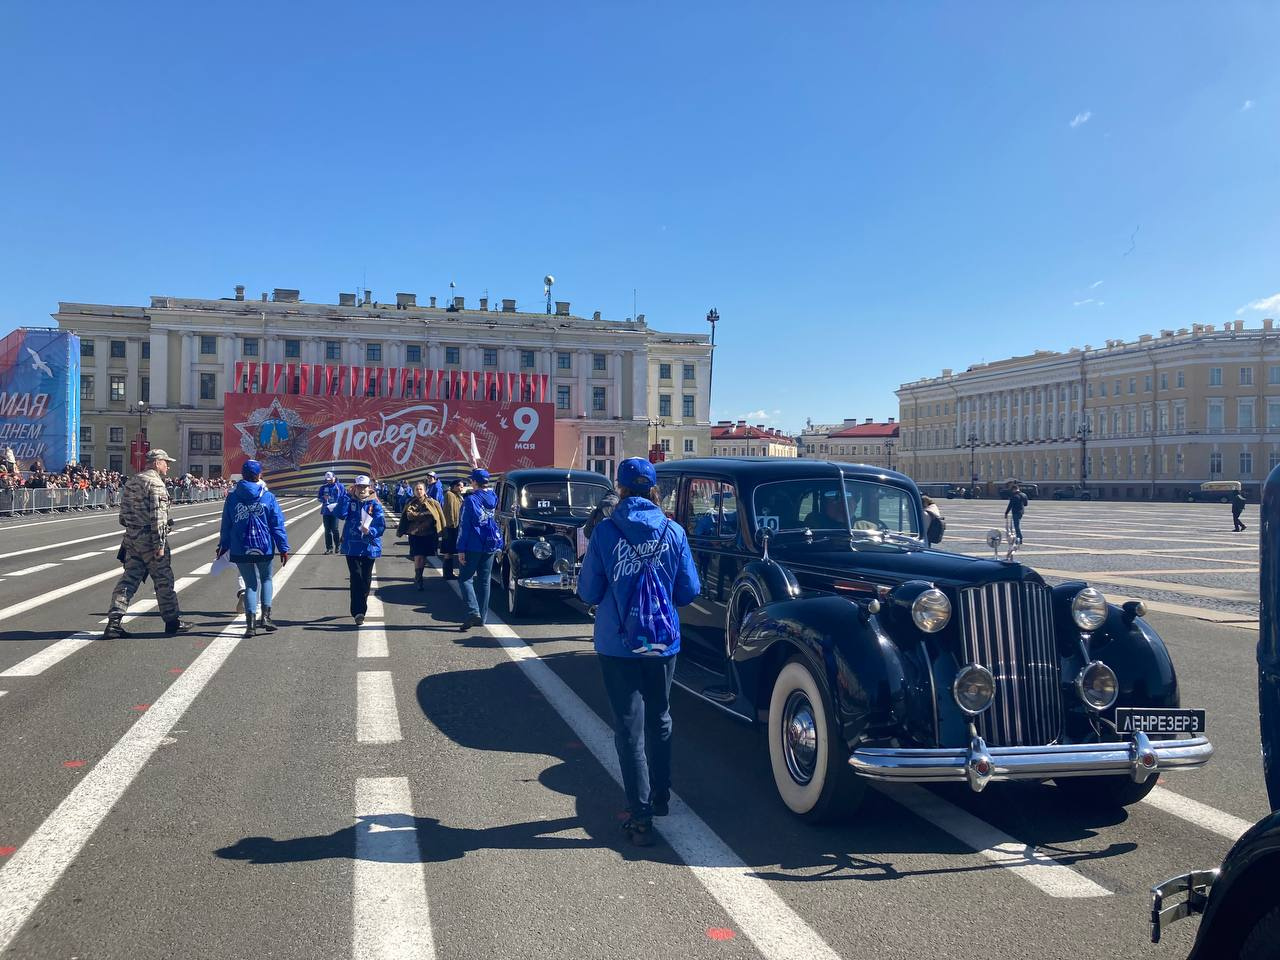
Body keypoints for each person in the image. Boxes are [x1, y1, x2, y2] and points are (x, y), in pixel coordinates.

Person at [577, 458, 700, 847]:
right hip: (662, 641)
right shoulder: (674, 531)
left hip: (617, 643)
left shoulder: (606, 532)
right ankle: (661, 797)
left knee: (629, 726)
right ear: (654, 490)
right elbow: (688, 591)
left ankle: (640, 812)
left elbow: (588, 592)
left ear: (622, 489)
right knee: (660, 716)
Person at [103, 449, 191, 638]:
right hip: (150, 540)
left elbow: (122, 517)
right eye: (166, 462)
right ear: (157, 462)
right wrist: (159, 544)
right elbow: (159, 517)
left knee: (129, 580)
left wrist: (134, 529)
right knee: (164, 581)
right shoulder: (156, 483)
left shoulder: (132, 481)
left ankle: (114, 622)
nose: (168, 466)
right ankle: (172, 622)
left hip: (132, 539)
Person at [218, 460, 290, 637]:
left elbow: (226, 524)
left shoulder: (233, 497)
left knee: (250, 584)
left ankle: (250, 625)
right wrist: (283, 547)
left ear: (242, 475)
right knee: (266, 579)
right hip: (263, 546)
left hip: (240, 547)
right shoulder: (268, 497)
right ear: (259, 475)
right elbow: (277, 525)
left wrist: (223, 545)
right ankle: (265, 617)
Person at [456, 468, 503, 628]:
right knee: (484, 580)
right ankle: (482, 618)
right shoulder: (493, 497)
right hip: (490, 542)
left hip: (473, 544)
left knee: (465, 578)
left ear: (474, 482)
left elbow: (464, 526)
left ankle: (473, 612)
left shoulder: (470, 500)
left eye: (472, 480)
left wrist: (461, 548)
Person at [339, 475, 385, 624]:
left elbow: (380, 524)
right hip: (352, 546)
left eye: (364, 487)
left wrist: (370, 531)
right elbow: (341, 514)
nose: (362, 490)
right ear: (355, 487)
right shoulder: (350, 501)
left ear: (369, 487)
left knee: (365, 579)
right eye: (359, 487)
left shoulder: (374, 503)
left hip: (369, 547)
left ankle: (361, 606)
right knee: (356, 577)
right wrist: (346, 495)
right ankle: (358, 612)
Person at [397, 480, 446, 590]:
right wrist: (424, 515)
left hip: (428, 534)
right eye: (417, 489)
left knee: (423, 557)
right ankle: (418, 578)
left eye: (421, 489)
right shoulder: (410, 502)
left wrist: (420, 515)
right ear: (414, 491)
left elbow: (435, 516)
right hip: (414, 534)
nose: (419, 491)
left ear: (425, 491)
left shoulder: (432, 502)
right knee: (417, 556)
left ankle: (420, 573)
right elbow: (409, 516)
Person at [441, 477, 465, 580]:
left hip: (456, 526)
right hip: (451, 527)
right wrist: (452, 525)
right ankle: (447, 573)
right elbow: (450, 511)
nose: (461, 488)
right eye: (460, 486)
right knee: (449, 551)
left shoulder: (458, 496)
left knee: (451, 550)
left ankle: (449, 573)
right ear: (454, 486)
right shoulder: (449, 495)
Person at [317, 471, 345, 554]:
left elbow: (344, 497)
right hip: (326, 511)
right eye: (327, 479)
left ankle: (338, 546)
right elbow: (318, 498)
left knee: (335, 529)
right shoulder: (323, 487)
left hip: (335, 511)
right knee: (327, 530)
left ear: (334, 477)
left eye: (330, 479)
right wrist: (323, 498)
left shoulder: (340, 486)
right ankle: (329, 548)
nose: (329, 481)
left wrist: (340, 505)